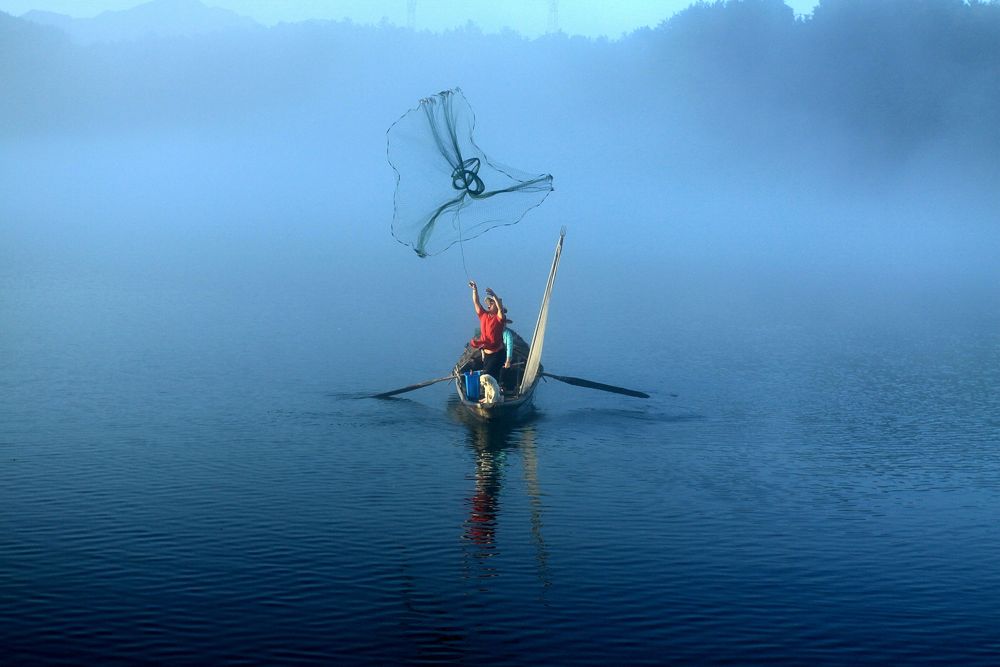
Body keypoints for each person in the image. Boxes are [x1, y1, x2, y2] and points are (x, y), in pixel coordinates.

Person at [468, 280, 506, 381]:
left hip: (497, 354)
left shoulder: (499, 318)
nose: (489, 305)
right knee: (490, 378)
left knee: (487, 378)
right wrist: (474, 290)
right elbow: (476, 302)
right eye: (490, 303)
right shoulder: (483, 315)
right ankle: (493, 394)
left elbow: (501, 309)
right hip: (487, 354)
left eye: (492, 303)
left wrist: (494, 295)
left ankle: (494, 394)